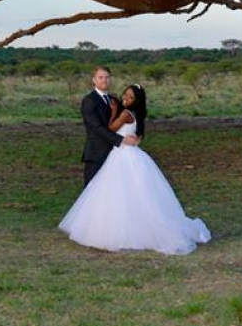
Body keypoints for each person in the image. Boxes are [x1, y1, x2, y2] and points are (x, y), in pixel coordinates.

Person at [60, 82, 211, 255]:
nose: (126, 98)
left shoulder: (125, 113)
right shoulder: (137, 115)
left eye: (131, 97)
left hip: (122, 155)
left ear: (136, 101)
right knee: (136, 193)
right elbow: (137, 136)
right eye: (126, 94)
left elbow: (110, 128)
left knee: (118, 192)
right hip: (133, 153)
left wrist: (115, 110)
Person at [80, 65, 139, 186]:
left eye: (106, 77)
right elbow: (96, 127)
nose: (104, 80)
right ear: (94, 80)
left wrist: (132, 135)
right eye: (100, 77)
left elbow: (121, 122)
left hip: (116, 153)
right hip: (97, 152)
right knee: (92, 190)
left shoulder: (114, 99)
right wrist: (122, 140)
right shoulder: (89, 100)